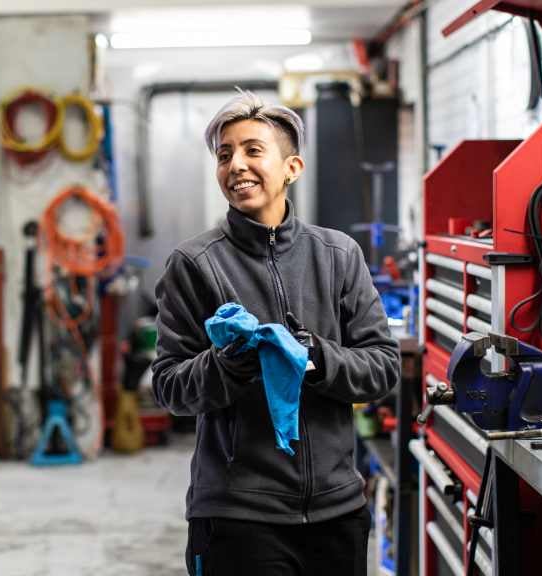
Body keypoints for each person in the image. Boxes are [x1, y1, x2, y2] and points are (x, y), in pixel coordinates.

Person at [152, 90, 400, 576]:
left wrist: (314, 356)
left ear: (292, 168)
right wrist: (228, 363)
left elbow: (382, 367)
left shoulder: (338, 255)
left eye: (252, 150)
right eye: (224, 155)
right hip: (237, 515)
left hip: (336, 511)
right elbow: (169, 387)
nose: (236, 166)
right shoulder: (194, 264)